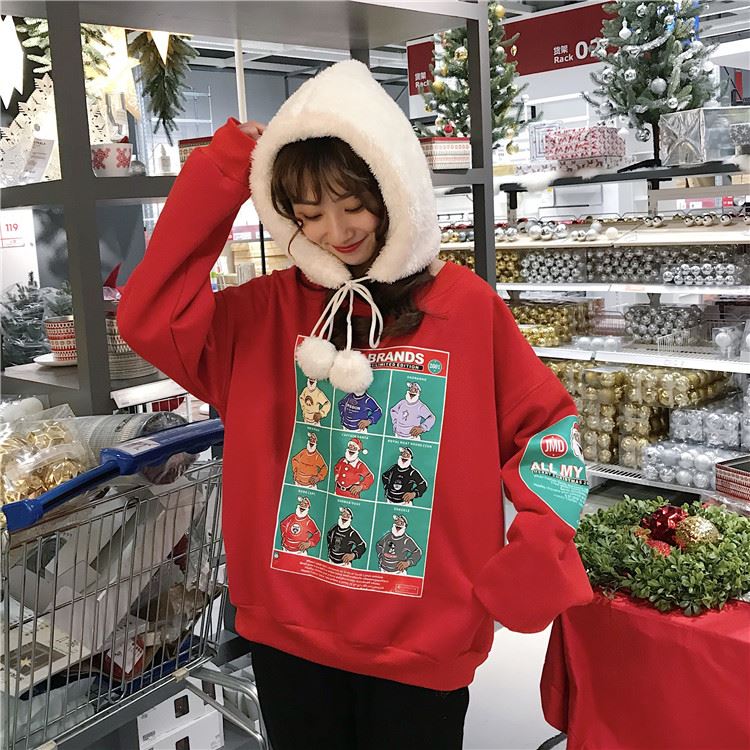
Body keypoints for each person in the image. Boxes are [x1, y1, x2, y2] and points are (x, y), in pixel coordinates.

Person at [118, 60, 592, 750]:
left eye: (353, 205)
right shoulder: (260, 316)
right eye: (309, 215)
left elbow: (549, 430)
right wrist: (222, 174)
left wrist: (540, 550)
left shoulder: (464, 308)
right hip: (290, 637)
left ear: (394, 188)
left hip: (422, 646)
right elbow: (149, 315)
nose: (336, 231)